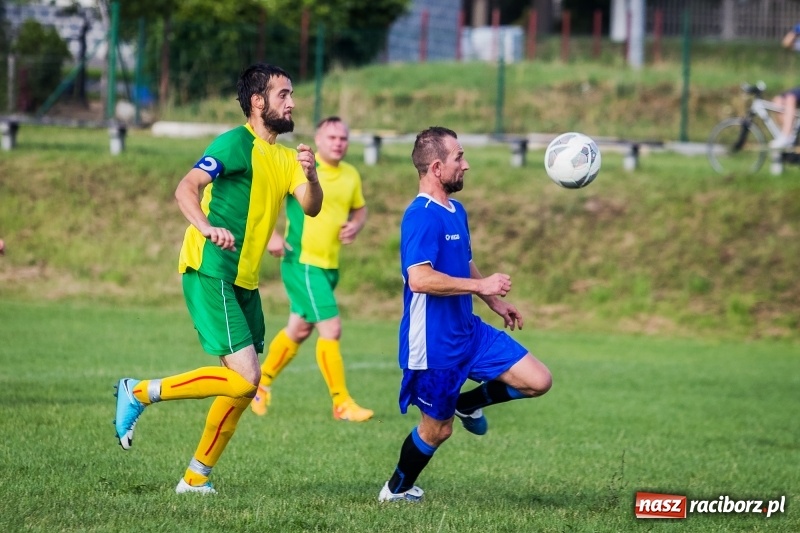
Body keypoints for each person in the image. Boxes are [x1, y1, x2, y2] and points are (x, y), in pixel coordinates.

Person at [113, 63, 323, 494]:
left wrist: (313, 175)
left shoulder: (285, 159)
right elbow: (185, 187)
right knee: (247, 379)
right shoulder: (233, 143)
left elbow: (313, 206)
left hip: (244, 282)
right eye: (284, 94)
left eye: (292, 94)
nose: (293, 102)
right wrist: (207, 227)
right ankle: (138, 392)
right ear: (258, 102)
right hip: (210, 271)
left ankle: (195, 478)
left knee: (243, 389)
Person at [378, 126, 553, 502]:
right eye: (459, 157)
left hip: (469, 332)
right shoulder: (421, 216)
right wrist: (482, 286)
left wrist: (494, 301)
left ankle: (469, 402)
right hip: (434, 344)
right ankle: (396, 489)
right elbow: (420, 278)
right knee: (437, 431)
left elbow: (465, 263)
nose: (467, 165)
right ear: (437, 167)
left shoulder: (456, 210)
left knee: (538, 380)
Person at [250, 116, 372, 422]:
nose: (338, 143)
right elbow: (267, 197)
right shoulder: (300, 166)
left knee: (299, 329)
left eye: (343, 138)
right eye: (331, 138)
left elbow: (360, 208)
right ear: (318, 140)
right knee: (331, 328)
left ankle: (260, 385)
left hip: (330, 267)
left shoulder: (351, 175)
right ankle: (341, 402)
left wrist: (355, 225)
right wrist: (272, 235)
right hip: (303, 263)